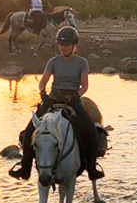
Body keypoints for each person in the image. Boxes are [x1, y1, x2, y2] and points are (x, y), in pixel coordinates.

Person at [9, 25, 104, 183]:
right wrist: (43, 94)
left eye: (66, 45)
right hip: (53, 99)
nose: (63, 47)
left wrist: (76, 95)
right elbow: (43, 82)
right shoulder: (53, 62)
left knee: (89, 129)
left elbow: (85, 85)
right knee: (29, 130)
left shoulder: (82, 62)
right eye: (61, 44)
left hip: (72, 99)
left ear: (74, 45)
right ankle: (25, 168)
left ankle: (92, 167)